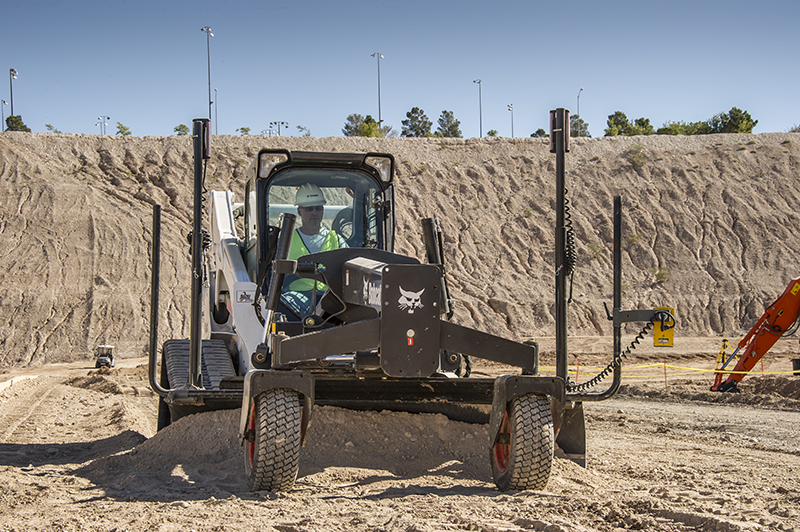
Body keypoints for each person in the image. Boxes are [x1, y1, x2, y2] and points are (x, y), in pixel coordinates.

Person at [282, 183, 347, 316]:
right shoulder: (286, 241)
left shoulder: (336, 239)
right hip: (296, 296)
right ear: (299, 211)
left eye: (318, 208)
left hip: (329, 296)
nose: (314, 212)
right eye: (309, 209)